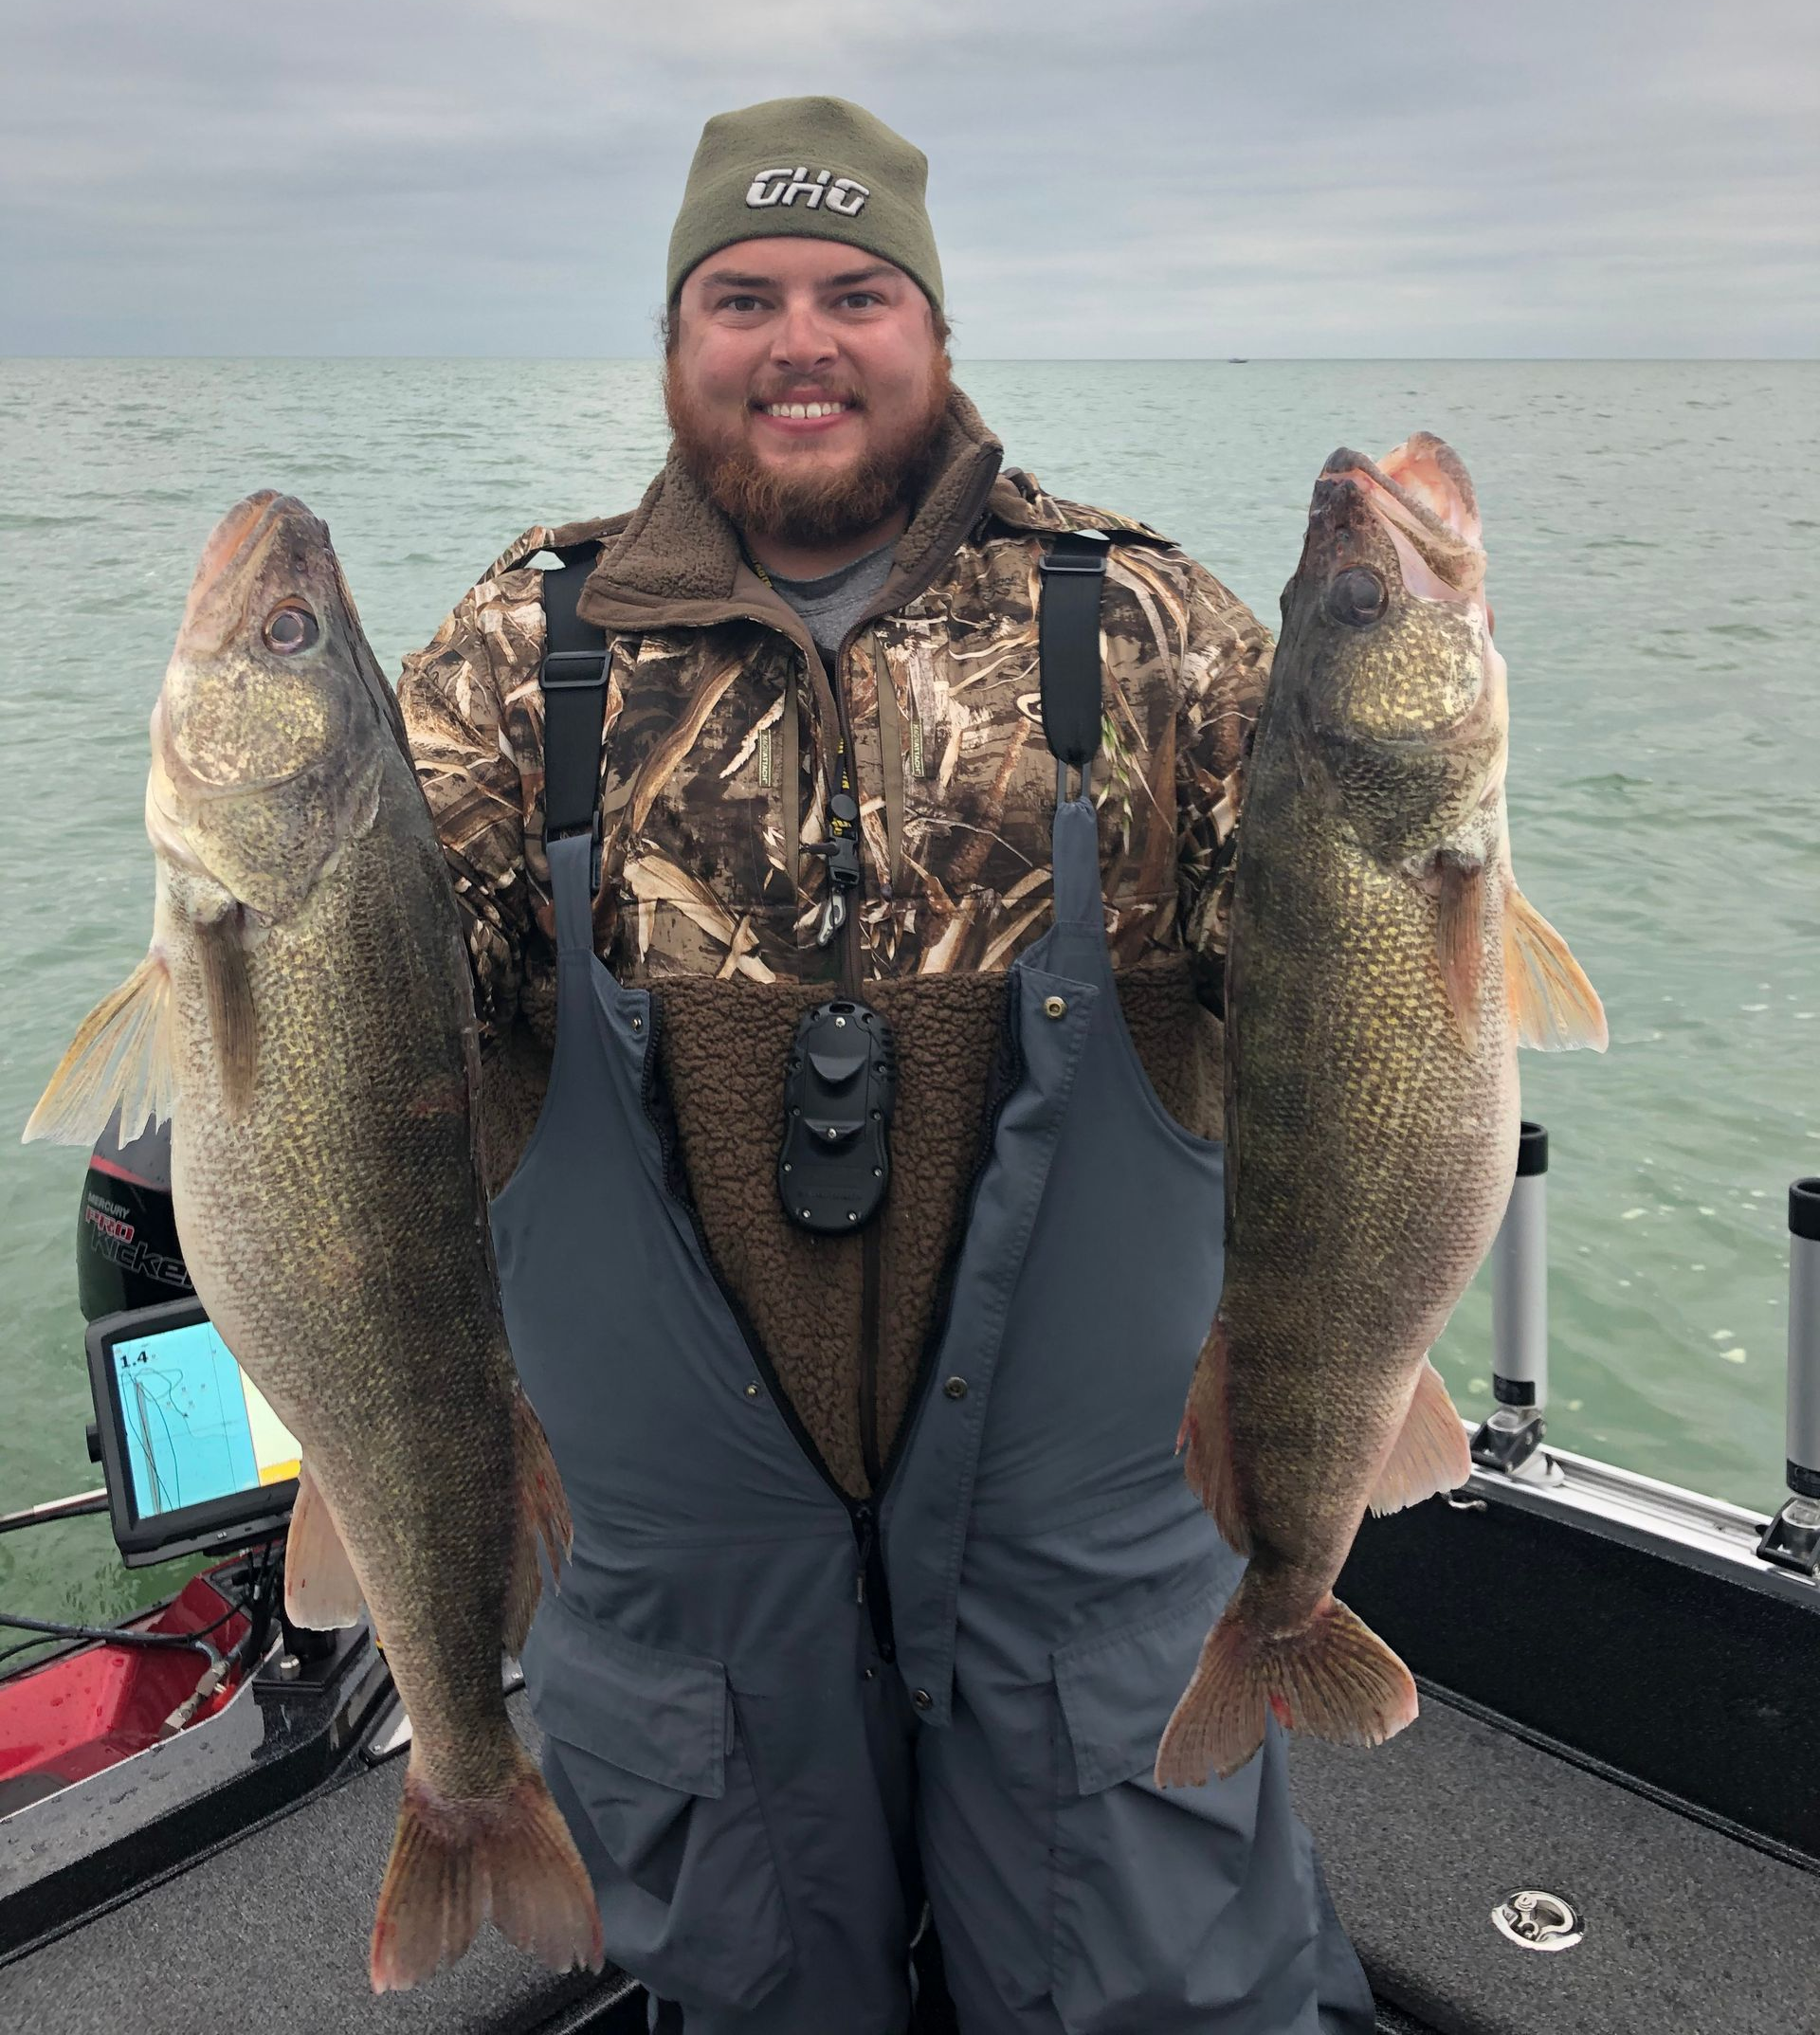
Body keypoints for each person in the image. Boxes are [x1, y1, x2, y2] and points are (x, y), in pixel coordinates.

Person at [399, 94, 1377, 2035]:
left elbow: (1351, 1002)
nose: (802, 344)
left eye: (857, 293)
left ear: (934, 326)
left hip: (1084, 1536)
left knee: (1154, 1975)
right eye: (742, 297)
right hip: (689, 1571)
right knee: (753, 1977)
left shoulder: (1149, 627)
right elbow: (374, 1028)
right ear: (674, 337)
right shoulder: (525, 654)